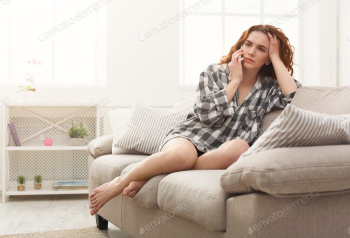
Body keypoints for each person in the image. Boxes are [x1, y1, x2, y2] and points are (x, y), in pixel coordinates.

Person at [89, 24, 302, 215]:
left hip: (221, 151)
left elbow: (294, 97)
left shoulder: (268, 87)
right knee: (182, 156)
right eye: (248, 44)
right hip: (191, 137)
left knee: (240, 147)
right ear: (241, 45)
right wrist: (235, 81)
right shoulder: (214, 73)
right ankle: (120, 181)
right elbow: (206, 116)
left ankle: (153, 173)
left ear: (267, 58)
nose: (251, 51)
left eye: (261, 49)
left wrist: (276, 56)